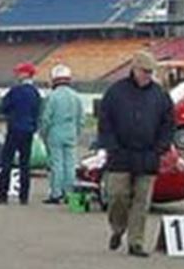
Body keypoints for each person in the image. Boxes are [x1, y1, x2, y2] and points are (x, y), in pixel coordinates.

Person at [97, 50, 174, 255]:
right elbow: (105, 121)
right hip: (120, 153)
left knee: (142, 201)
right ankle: (118, 228)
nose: (148, 75)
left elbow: (168, 124)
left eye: (151, 72)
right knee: (117, 196)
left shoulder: (160, 95)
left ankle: (136, 242)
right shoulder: (115, 92)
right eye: (145, 71)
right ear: (135, 69)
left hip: (148, 155)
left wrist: (161, 147)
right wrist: (111, 145)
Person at [0, 62, 43, 205]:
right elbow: (38, 112)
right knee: (25, 164)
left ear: (25, 74)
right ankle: (24, 196)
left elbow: (4, 107)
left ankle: (2, 194)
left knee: (6, 161)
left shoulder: (15, 91)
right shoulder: (36, 93)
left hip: (14, 128)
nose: (17, 75)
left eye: (19, 72)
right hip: (29, 129)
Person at [38, 64, 84, 204]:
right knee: (70, 164)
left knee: (56, 164)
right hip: (71, 133)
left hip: (55, 133)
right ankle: (69, 192)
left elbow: (46, 118)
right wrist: (77, 133)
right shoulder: (76, 97)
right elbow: (81, 119)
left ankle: (56, 193)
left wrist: (43, 134)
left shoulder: (52, 97)